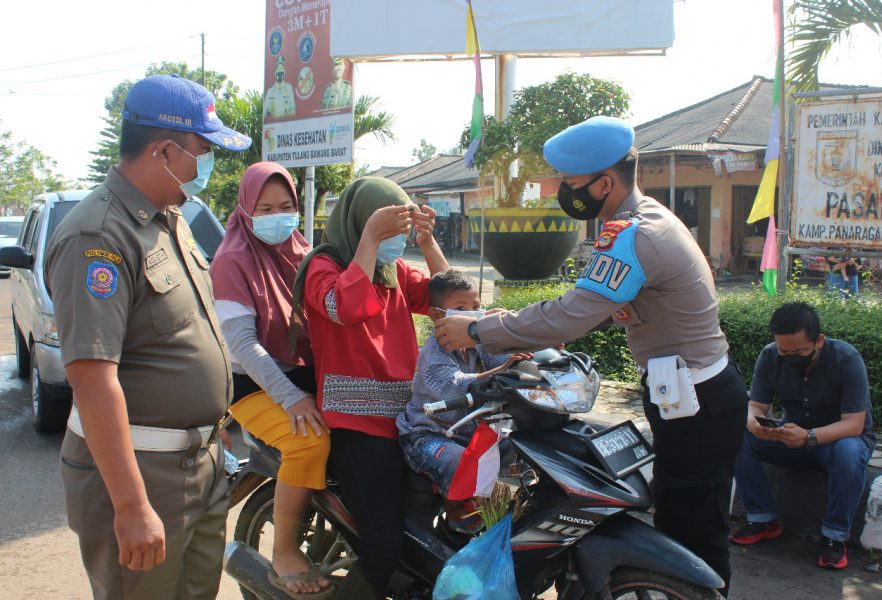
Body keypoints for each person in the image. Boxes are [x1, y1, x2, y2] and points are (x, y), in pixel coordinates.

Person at [434, 115, 748, 594]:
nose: (563, 190)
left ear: (605, 182)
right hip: (691, 394)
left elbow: (573, 312)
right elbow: (604, 307)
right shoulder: (647, 219)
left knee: (695, 532)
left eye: (570, 183)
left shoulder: (634, 234)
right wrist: (545, 336)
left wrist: (477, 329)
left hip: (696, 403)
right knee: (683, 517)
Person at [45, 74, 251, 599]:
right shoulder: (98, 235)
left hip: (198, 463)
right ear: (163, 150)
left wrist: (214, 425)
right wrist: (133, 507)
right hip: (144, 476)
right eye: (203, 151)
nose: (207, 165)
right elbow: (93, 381)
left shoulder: (169, 219)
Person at [292, 177, 449, 600]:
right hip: (358, 427)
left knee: (428, 535)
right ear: (362, 225)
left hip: (409, 419)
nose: (396, 243)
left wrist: (428, 242)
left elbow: (449, 300)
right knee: (383, 546)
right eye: (388, 231)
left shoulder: (391, 270)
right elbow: (345, 308)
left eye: (400, 234)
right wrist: (370, 241)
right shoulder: (322, 267)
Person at [209, 162, 331, 598]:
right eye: (265, 208)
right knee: (309, 441)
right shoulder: (231, 260)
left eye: (286, 207)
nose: (277, 217)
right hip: (256, 386)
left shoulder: (304, 251)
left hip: (305, 374)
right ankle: (284, 551)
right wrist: (292, 397)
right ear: (245, 209)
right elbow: (242, 342)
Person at [730, 302, 874, 570]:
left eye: (798, 351)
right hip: (792, 438)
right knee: (737, 433)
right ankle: (763, 518)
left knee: (849, 451)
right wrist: (753, 423)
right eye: (784, 351)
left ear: (819, 340)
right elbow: (757, 405)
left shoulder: (846, 359)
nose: (789, 356)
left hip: (836, 443)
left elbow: (854, 424)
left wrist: (808, 437)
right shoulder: (770, 356)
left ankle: (834, 537)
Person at [396, 270, 529, 534]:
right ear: (436, 316)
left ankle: (513, 507)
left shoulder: (476, 343)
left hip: (470, 432)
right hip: (428, 435)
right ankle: (459, 520)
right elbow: (456, 384)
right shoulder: (433, 353)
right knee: (458, 461)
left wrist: (525, 351)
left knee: (521, 445)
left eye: (477, 307)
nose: (473, 313)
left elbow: (500, 358)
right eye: (461, 308)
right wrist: (502, 369)